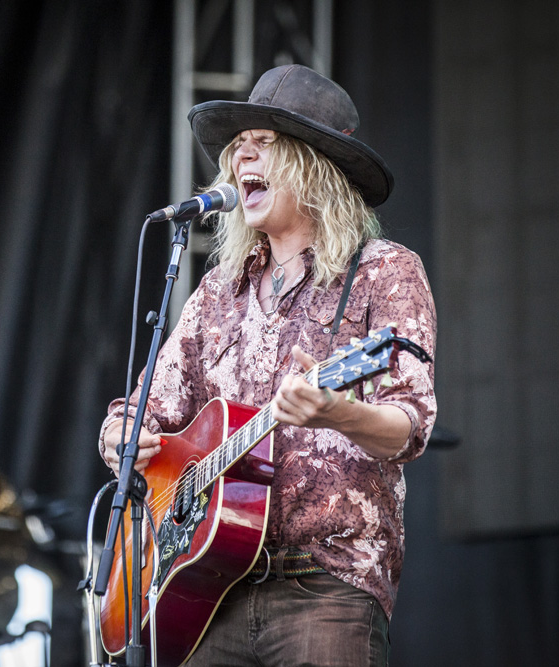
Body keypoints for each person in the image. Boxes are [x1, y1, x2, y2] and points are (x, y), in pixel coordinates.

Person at [100, 64, 436, 666]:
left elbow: (409, 427)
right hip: (209, 590)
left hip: (326, 586)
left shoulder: (384, 271)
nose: (241, 157)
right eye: (238, 145)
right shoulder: (217, 292)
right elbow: (148, 406)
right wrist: (123, 433)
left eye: (265, 142)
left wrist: (336, 413)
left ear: (315, 166)